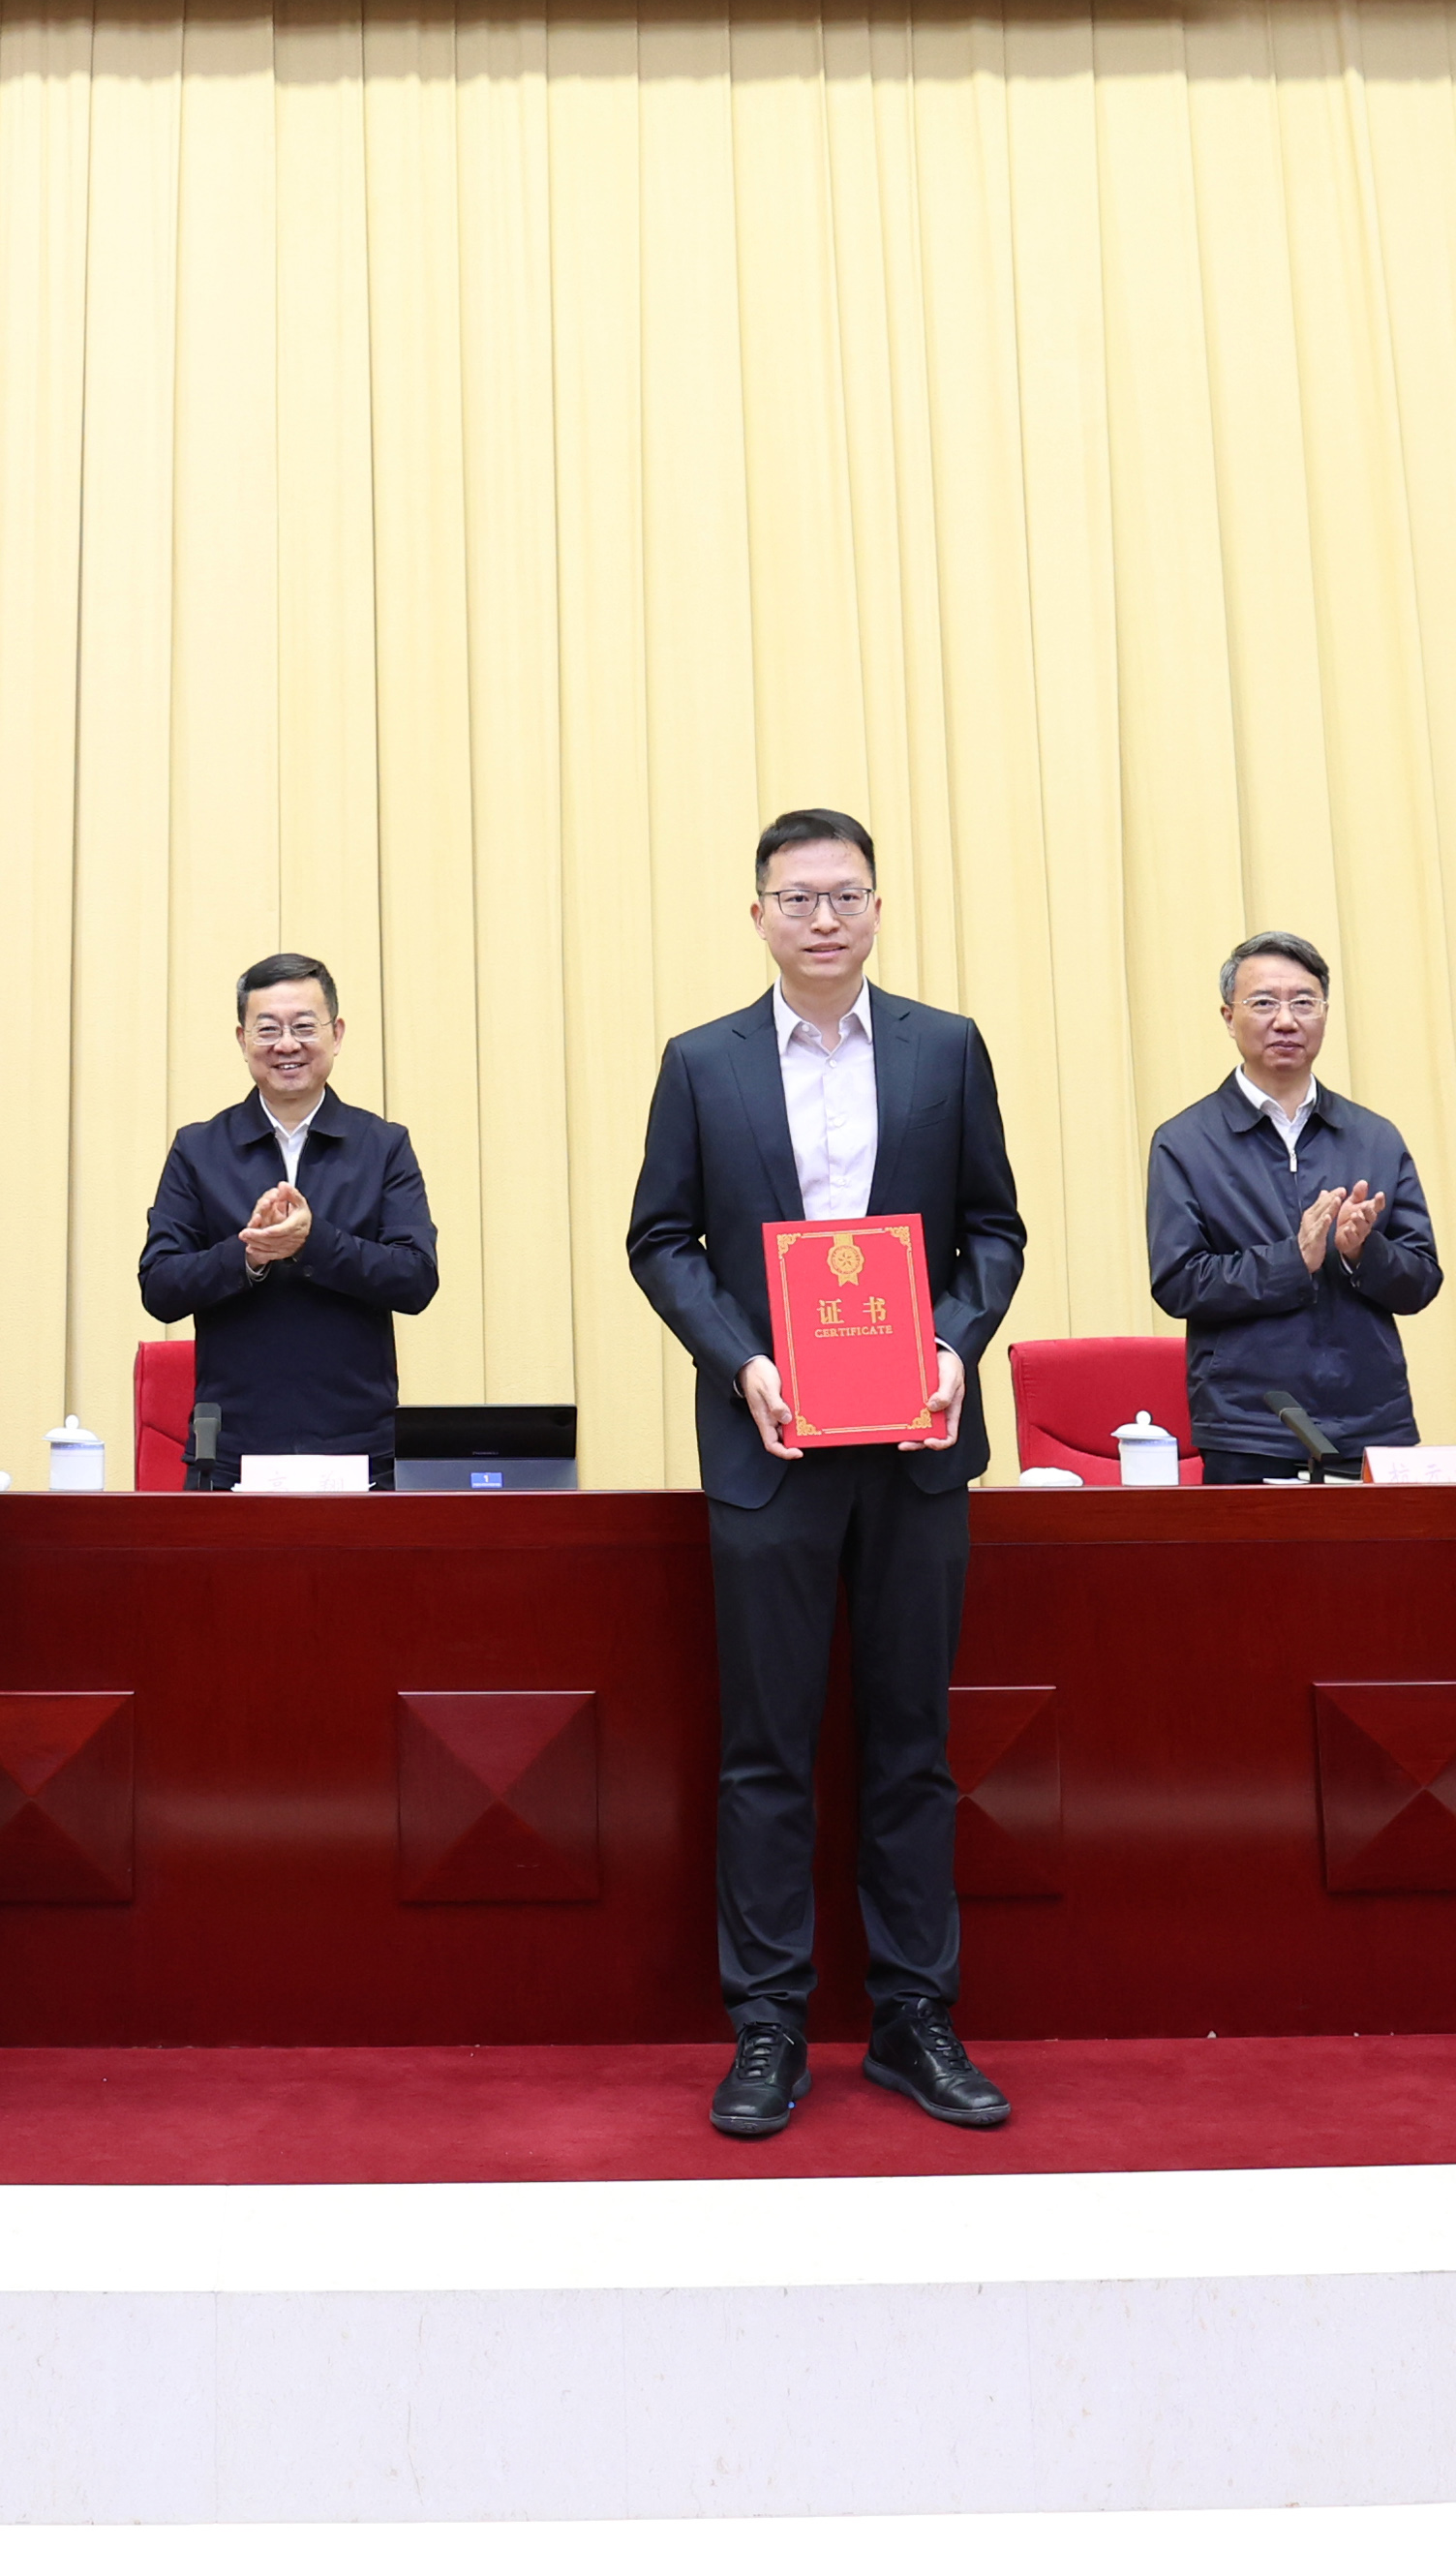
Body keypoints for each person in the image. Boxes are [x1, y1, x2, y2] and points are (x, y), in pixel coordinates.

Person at [622, 806, 1028, 2140]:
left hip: (917, 1446)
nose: (823, 918)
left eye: (845, 894)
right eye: (797, 898)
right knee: (766, 1751)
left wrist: (954, 1347)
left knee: (912, 1746)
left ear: (877, 907)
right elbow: (662, 1238)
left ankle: (915, 2017)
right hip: (772, 1444)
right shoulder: (703, 1062)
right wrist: (741, 1360)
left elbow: (994, 1230)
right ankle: (769, 2025)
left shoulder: (945, 1048)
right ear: (758, 915)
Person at [1141, 931, 1442, 1481]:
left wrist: (1361, 1254)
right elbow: (1179, 1283)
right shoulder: (1184, 1142)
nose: (1286, 1020)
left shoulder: (1375, 1137)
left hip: (1371, 1420)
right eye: (1264, 1003)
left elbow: (1421, 1280)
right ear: (1229, 1017)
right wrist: (1293, 1260)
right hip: (1248, 1426)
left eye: (1304, 1002)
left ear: (1325, 1014)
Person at [134, 953, 440, 1478]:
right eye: (268, 1029)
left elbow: (415, 1279)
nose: (287, 1045)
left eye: (303, 1026)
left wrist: (313, 1242)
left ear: (336, 1034)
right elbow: (159, 1287)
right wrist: (247, 1255)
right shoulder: (199, 1149)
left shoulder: (383, 1146)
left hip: (362, 1450)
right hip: (228, 1451)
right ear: (242, 1040)